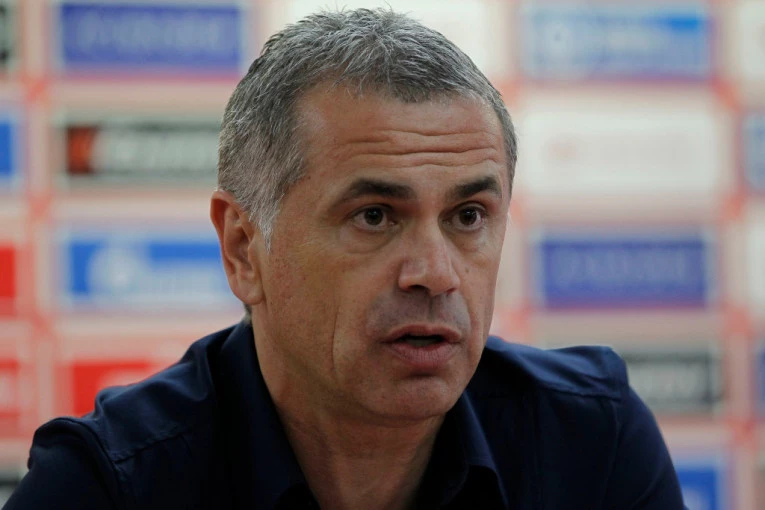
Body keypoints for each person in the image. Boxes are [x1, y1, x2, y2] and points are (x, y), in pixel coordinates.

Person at [5, 8, 686, 510]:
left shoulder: (591, 441)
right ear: (243, 249)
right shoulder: (108, 486)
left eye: (467, 216)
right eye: (374, 216)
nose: (436, 273)